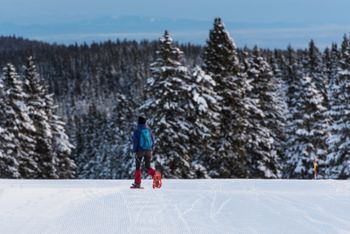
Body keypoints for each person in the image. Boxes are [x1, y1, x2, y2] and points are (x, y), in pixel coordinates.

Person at [130, 116, 156, 188]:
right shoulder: (148, 130)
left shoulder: (137, 130)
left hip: (140, 151)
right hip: (148, 151)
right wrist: (150, 149)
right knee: (148, 167)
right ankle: (155, 175)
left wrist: (134, 151)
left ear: (138, 122)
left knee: (138, 167)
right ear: (145, 122)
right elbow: (152, 141)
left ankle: (137, 183)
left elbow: (135, 142)